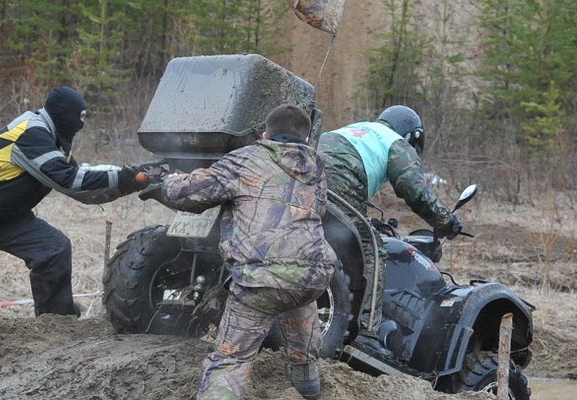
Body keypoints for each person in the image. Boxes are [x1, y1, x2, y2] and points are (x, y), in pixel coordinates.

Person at [140, 104, 337, 400]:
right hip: (313, 274)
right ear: (307, 140)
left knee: (232, 359)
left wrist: (164, 183)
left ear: (264, 134)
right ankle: (308, 389)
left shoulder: (245, 160)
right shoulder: (318, 168)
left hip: (262, 276)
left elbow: (190, 193)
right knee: (300, 320)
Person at [0, 86, 148, 316]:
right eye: (80, 117)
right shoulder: (32, 133)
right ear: (65, 115)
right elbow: (69, 180)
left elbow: (81, 191)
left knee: (53, 250)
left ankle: (55, 323)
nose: (81, 125)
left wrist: (129, 183)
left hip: (6, 214)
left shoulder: (54, 142)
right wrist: (120, 177)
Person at [317, 105, 462, 356]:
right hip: (339, 178)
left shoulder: (359, 130)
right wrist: (445, 220)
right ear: (412, 136)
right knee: (371, 250)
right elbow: (414, 191)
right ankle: (368, 333)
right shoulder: (397, 143)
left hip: (306, 171)